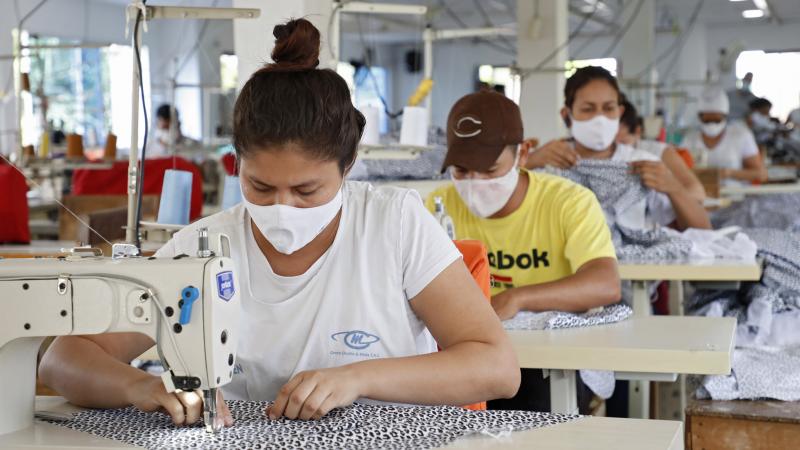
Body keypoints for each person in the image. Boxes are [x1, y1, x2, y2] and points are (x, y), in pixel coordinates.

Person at [39, 19, 520, 426]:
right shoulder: (204, 245)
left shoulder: (394, 224)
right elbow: (63, 357)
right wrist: (142, 387)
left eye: (307, 191)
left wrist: (358, 378)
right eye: (261, 187)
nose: (282, 207)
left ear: (348, 166)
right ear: (237, 164)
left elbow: (497, 367)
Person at [426, 89, 620, 413]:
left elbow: (605, 283)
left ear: (524, 154)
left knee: (530, 407)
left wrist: (517, 298)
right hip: (469, 352)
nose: (474, 183)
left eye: (489, 170)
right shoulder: (437, 206)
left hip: (545, 362)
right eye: (461, 171)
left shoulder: (568, 202)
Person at [526, 66, 710, 231]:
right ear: (567, 114)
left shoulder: (641, 163)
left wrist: (674, 188)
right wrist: (528, 163)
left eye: (608, 108)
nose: (600, 119)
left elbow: (702, 230)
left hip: (627, 259)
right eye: (588, 109)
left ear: (619, 112)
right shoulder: (548, 162)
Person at [616, 95, 706, 202]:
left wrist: (669, 192)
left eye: (622, 143)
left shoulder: (658, 152)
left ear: (638, 131)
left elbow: (698, 193)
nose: (617, 151)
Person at [681, 87, 767, 186]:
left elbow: (761, 175)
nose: (711, 124)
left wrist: (728, 173)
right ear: (700, 117)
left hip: (733, 194)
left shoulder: (741, 135)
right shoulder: (689, 139)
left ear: (725, 116)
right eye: (707, 120)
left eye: (716, 120)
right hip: (699, 194)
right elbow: (678, 172)